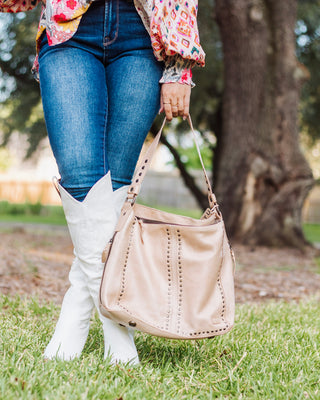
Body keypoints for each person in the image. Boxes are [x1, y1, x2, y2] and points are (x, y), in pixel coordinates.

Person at [0, 0, 205, 364]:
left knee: (114, 187)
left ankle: (75, 315)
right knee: (80, 176)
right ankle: (116, 325)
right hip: (69, 30)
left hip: (143, 33)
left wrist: (179, 68)